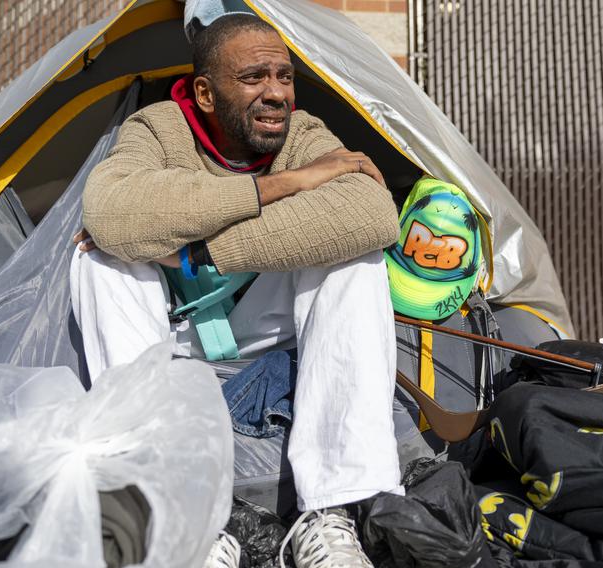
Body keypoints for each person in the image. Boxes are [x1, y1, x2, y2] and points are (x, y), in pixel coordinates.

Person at [70, 12, 403, 568]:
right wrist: (286, 185)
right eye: (254, 77)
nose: (276, 94)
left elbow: (372, 213)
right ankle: (188, 520)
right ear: (205, 92)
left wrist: (200, 252)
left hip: (272, 333)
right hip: (175, 339)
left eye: (285, 77)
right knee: (100, 257)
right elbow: (110, 212)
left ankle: (329, 514)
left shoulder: (306, 133)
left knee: (356, 258)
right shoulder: (158, 129)